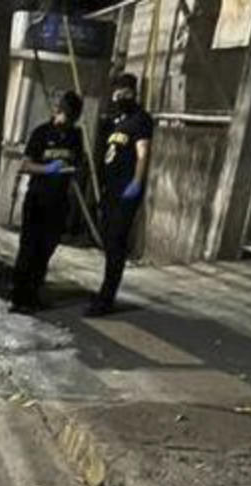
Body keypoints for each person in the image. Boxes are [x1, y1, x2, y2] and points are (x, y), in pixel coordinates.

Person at [10, 90, 84, 314]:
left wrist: (71, 171)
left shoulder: (74, 136)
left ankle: (33, 295)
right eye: (65, 114)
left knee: (45, 251)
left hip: (59, 202)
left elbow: (78, 165)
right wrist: (47, 169)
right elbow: (25, 166)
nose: (66, 120)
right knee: (28, 248)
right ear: (58, 111)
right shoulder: (41, 133)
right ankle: (18, 297)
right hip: (37, 199)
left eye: (71, 117)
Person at [86, 73, 154, 317]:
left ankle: (106, 298)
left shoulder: (140, 120)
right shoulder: (117, 121)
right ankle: (105, 291)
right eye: (117, 91)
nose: (120, 96)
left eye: (125, 91)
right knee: (108, 241)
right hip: (110, 190)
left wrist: (136, 182)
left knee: (116, 242)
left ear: (133, 92)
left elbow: (142, 153)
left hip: (126, 191)